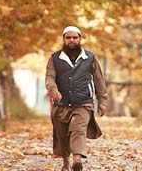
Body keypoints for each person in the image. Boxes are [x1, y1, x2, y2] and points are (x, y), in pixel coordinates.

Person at [45, 25, 108, 171]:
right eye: (68, 38)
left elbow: (99, 80)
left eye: (75, 37)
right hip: (61, 104)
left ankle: (77, 160)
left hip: (83, 103)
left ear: (80, 39)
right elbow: (49, 77)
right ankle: (66, 163)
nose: (72, 40)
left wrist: (102, 101)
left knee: (78, 129)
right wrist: (53, 90)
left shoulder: (90, 57)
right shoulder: (55, 58)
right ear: (64, 39)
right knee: (62, 135)